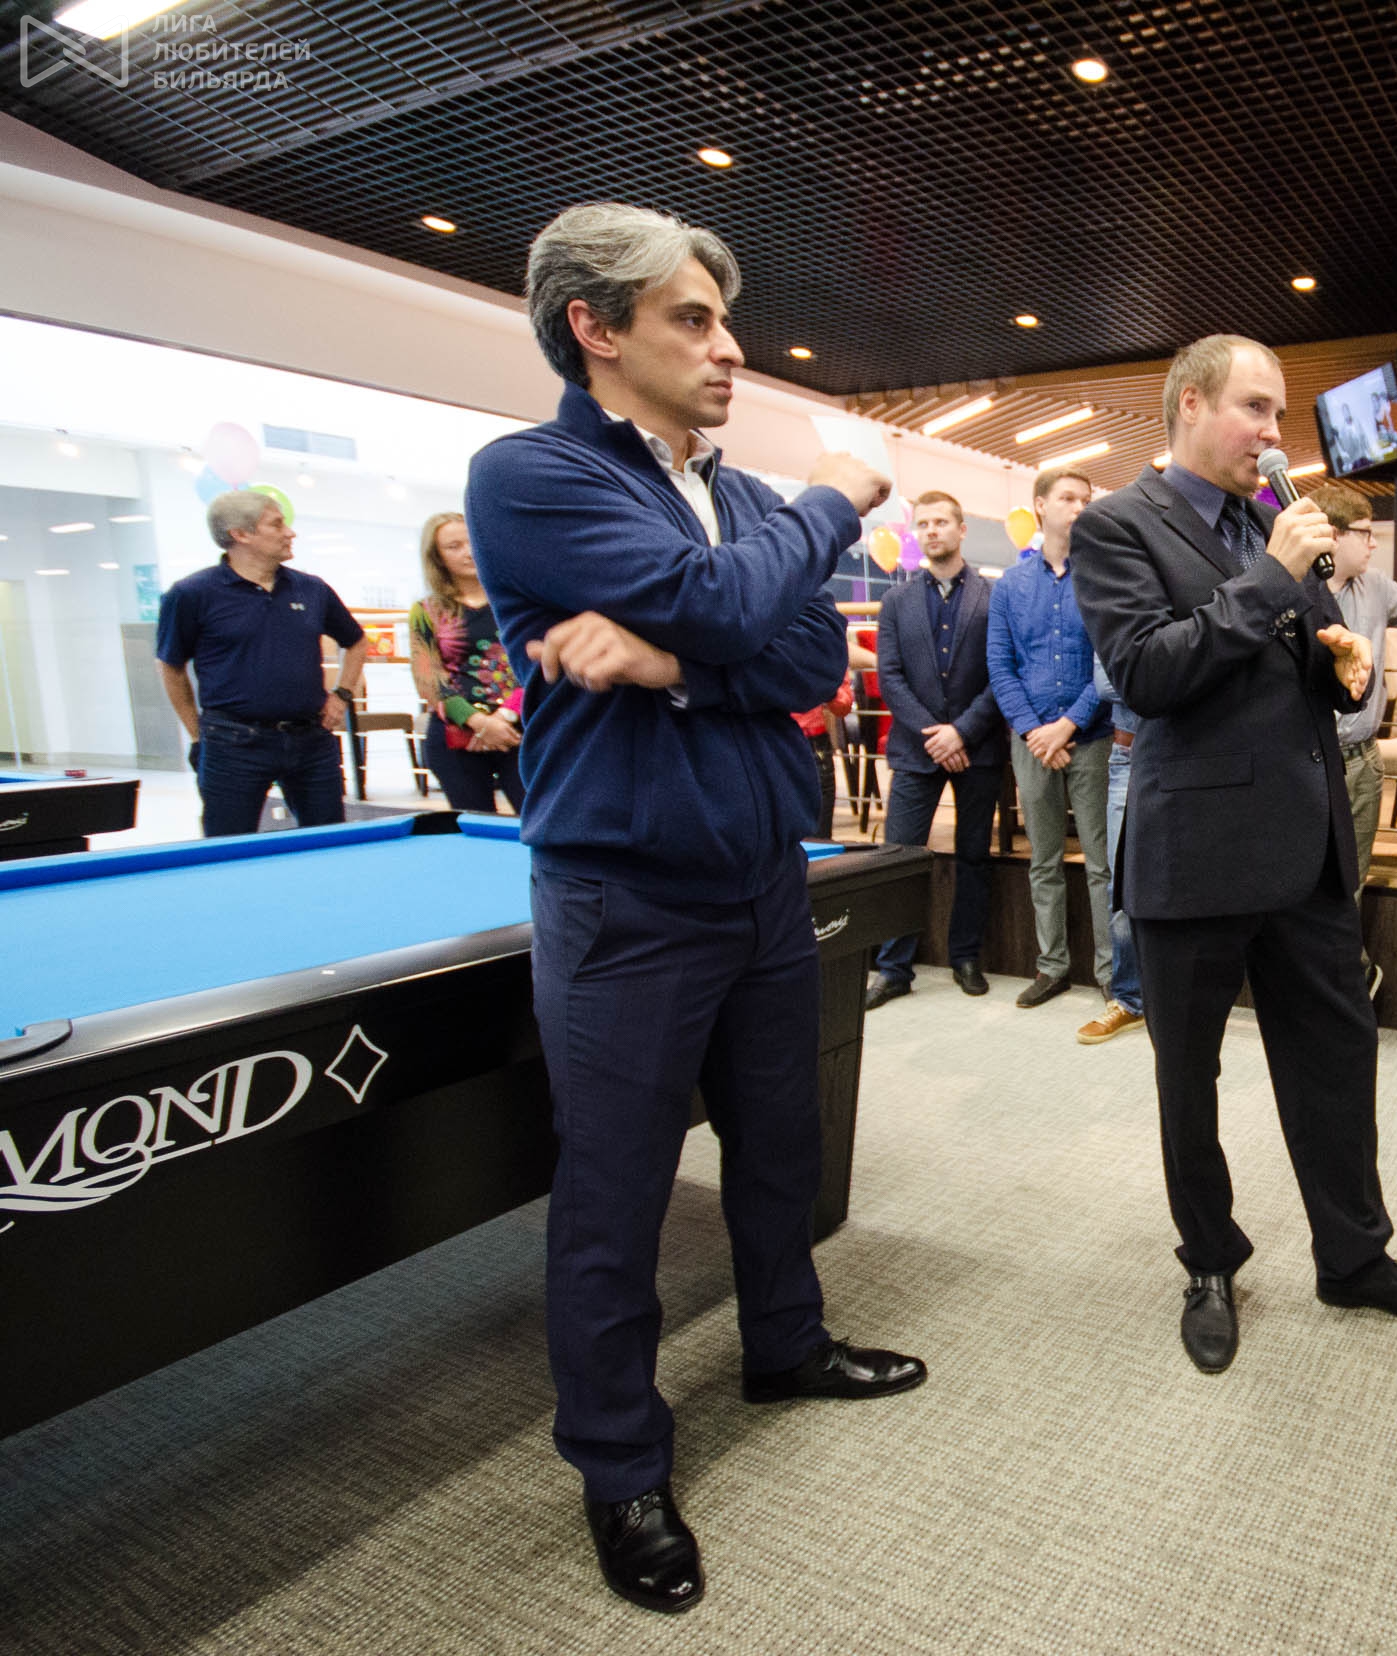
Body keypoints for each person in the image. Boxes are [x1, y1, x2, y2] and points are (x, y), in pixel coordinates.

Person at [463, 201, 922, 1616]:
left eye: (727, 321)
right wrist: (836, 500)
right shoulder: (531, 474)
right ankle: (620, 1468)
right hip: (625, 898)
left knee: (781, 1146)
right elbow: (726, 605)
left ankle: (786, 1345)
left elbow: (803, 658)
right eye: (692, 320)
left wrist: (673, 664)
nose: (730, 349)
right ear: (594, 328)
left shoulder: (742, 496)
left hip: (763, 878)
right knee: (615, 1194)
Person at [1073, 333, 1397, 1375]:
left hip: (1306, 852)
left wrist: (1340, 665)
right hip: (1194, 853)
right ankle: (1209, 1261)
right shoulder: (1119, 525)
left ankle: (1356, 1258)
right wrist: (1273, 576)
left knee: (1337, 1061)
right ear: (1191, 403)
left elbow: (1293, 658)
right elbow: (1148, 676)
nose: (1273, 431)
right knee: (1189, 1080)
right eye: (1255, 407)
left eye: (1279, 412)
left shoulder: (1268, 522)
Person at [156, 490, 369, 837]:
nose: (290, 532)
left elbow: (356, 642)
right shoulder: (191, 594)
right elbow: (170, 666)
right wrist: (197, 734)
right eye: (277, 524)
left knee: (330, 840)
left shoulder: (311, 589)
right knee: (227, 846)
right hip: (232, 742)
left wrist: (342, 694)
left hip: (311, 739)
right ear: (241, 534)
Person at [866, 490, 1007, 1008]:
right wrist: (936, 734)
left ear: (961, 529)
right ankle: (893, 968)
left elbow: (1002, 673)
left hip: (978, 746)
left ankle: (965, 957)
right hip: (916, 748)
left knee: (973, 857)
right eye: (923, 524)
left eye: (941, 522)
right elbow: (889, 676)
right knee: (899, 857)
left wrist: (962, 732)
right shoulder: (895, 601)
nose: (932, 531)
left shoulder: (995, 596)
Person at [988, 469, 1114, 1009]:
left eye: (1086, 499)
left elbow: (1109, 661)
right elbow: (1000, 666)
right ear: (1040, 505)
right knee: (1043, 861)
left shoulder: (1102, 579)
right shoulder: (1010, 586)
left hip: (1092, 737)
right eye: (1067, 498)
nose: (1079, 507)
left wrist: (1068, 725)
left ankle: (1112, 973)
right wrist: (1035, 731)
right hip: (1032, 741)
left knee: (1102, 864)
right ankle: (1052, 967)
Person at [1311, 478, 1397, 997]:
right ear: (1335, 536)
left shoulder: (1377, 587)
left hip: (1361, 760)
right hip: (1305, 761)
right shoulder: (1292, 586)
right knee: (1302, 879)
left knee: (1350, 880)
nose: (1373, 544)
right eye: (1366, 533)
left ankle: (1345, 986)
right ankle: (1336, 981)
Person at [409, 512, 524, 815]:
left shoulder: (516, 601)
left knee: (540, 824)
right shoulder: (426, 611)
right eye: (454, 546)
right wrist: (480, 723)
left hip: (519, 729)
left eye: (472, 541)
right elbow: (429, 681)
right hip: (456, 737)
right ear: (437, 557)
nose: (468, 552)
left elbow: (535, 665)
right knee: (474, 827)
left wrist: (504, 718)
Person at [1076, 653, 1148, 1044]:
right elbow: (1107, 684)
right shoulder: (1117, 610)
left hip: (1193, 755)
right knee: (1120, 882)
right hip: (1128, 754)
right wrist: (1178, 675)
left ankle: (1182, 999)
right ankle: (1129, 1000)